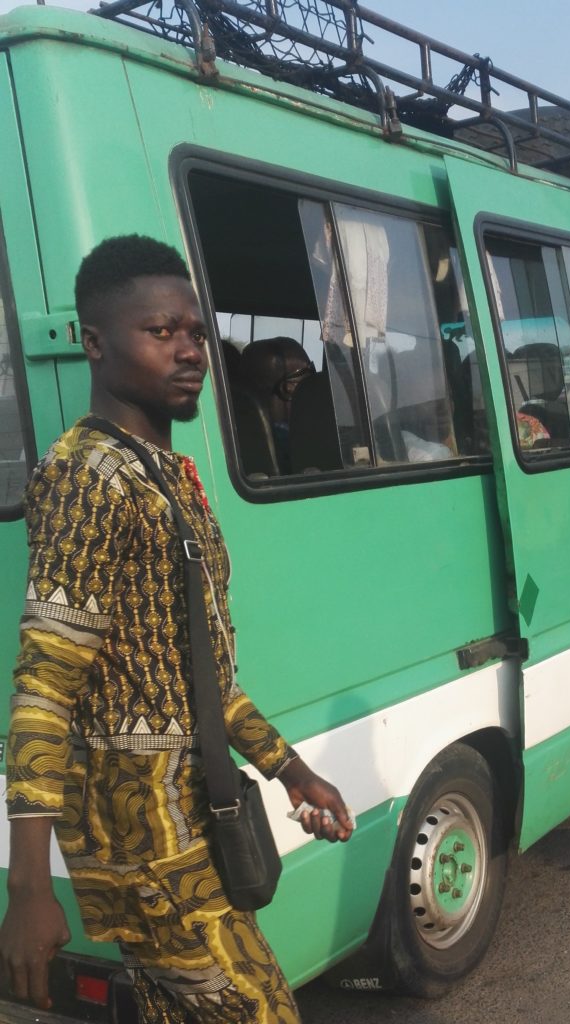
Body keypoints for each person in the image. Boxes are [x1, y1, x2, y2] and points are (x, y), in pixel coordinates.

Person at [0, 235, 352, 1023]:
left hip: (194, 819)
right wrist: (27, 887)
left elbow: (197, 676)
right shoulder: (87, 474)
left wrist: (288, 768)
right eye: (161, 332)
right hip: (140, 839)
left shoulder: (163, 472)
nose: (189, 349)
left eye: (195, 331)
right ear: (96, 342)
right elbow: (45, 684)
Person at [241, 337, 315, 474]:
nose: (312, 388)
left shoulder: (234, 439)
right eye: (305, 376)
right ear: (287, 388)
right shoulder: (294, 443)